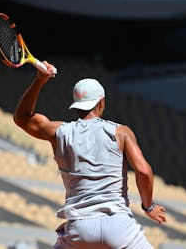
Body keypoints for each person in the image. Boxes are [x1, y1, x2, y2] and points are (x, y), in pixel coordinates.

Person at [13, 61, 167, 249]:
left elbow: (21, 118)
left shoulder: (59, 132)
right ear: (101, 102)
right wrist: (148, 207)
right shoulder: (121, 132)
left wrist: (40, 80)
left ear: (76, 105)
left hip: (80, 228)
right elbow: (143, 171)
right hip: (118, 226)